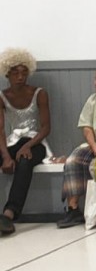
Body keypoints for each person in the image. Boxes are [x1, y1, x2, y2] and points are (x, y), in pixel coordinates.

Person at [56, 65, 96, 228]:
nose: (95, 83)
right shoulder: (93, 100)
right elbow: (86, 127)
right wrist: (94, 145)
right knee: (74, 160)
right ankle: (73, 209)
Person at [0, 48, 52, 235]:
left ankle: (9, 214)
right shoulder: (2, 95)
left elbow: (46, 127)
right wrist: (6, 157)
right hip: (12, 141)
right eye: (15, 73)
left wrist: (28, 145)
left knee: (25, 162)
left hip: (35, 141)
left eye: (24, 73)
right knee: (9, 157)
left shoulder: (39, 93)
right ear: (7, 74)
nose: (20, 77)